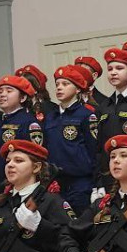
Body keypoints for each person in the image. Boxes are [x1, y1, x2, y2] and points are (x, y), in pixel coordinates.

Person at [44, 65, 99, 213]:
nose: (59, 88)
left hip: (80, 182)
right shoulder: (51, 117)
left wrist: (97, 185)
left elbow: (95, 151)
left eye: (65, 84)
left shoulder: (86, 115)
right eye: (57, 84)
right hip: (56, 183)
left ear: (78, 89)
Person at [0, 75, 43, 201]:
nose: (2, 95)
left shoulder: (28, 123)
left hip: (16, 190)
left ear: (23, 98)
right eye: (0, 91)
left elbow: (33, 160)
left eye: (9, 91)